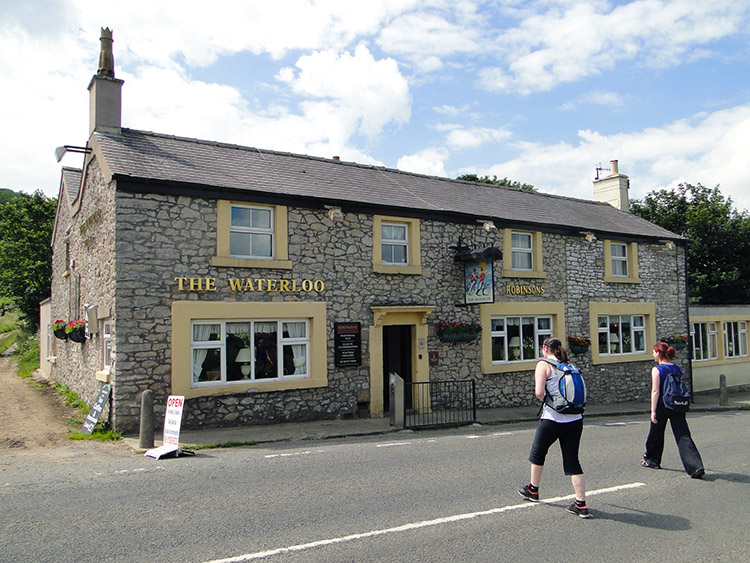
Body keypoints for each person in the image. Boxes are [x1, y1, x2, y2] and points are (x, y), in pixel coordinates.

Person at [518, 337, 590, 518]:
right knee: (572, 460)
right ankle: (581, 504)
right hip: (575, 419)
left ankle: (533, 490)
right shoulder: (568, 366)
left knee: (538, 452)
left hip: (553, 418)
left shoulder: (543, 365)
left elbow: (539, 392)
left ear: (544, 348)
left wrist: (552, 403)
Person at [642, 342, 705, 478]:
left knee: (656, 434)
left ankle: (652, 461)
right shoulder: (676, 368)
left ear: (658, 353)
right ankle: (695, 467)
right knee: (683, 435)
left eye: (654, 352)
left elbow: (655, 391)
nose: (653, 354)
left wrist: (653, 411)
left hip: (662, 405)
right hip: (677, 403)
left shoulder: (657, 370)